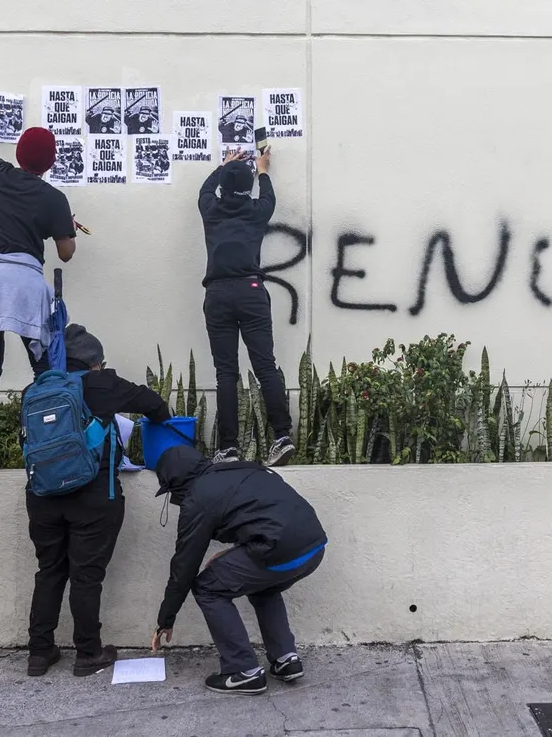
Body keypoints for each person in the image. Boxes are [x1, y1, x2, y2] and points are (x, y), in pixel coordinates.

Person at [24, 324, 173, 678]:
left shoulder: (37, 389)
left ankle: (39, 653)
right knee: (86, 577)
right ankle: (88, 653)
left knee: (49, 571)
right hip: (93, 496)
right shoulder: (104, 383)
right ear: (95, 363)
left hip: (42, 497)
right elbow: (156, 406)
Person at [0, 100, 77, 474]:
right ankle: (46, 443)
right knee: (43, 370)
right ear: (50, 163)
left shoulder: (0, 174)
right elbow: (66, 253)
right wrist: (64, 224)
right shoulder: (54, 198)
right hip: (23, 284)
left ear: (19, 155)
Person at [149, 444, 327, 695]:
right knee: (263, 587)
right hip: (314, 547)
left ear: (176, 483)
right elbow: (262, 517)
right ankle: (286, 658)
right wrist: (236, 552)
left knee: (207, 587)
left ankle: (242, 671)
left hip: (277, 550)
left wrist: (165, 619)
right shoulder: (237, 469)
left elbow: (184, 566)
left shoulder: (197, 497)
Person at [198, 146, 295, 465]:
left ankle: (228, 448)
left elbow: (205, 190)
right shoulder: (257, 210)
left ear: (224, 186)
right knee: (264, 365)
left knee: (226, 372)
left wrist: (223, 165)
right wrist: (263, 169)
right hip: (252, 291)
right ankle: (282, 437)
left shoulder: (210, 209)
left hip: (218, 294)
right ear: (249, 187)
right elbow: (269, 195)